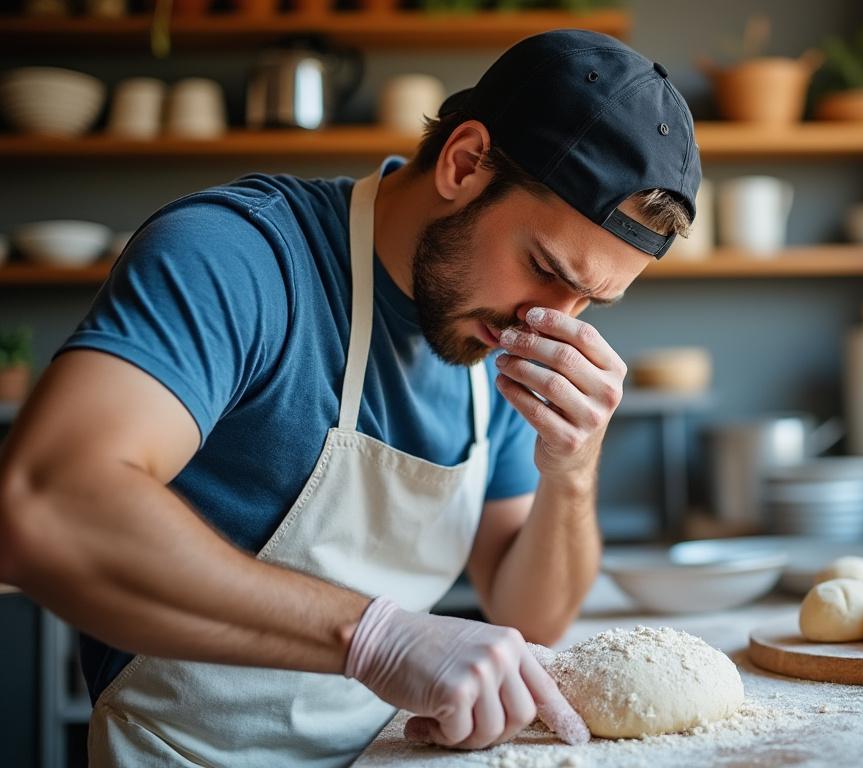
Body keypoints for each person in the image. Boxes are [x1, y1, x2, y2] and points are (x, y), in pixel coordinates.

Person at [0, 29, 699, 765]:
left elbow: (533, 614)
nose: (548, 319)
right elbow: (43, 508)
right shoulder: (239, 257)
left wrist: (572, 470)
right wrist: (376, 638)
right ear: (464, 163)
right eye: (546, 268)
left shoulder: (492, 334)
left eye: (590, 300)